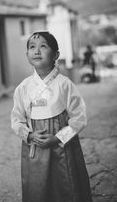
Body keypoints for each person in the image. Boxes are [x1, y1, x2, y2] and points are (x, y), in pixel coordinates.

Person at [11, 31, 92, 202]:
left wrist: (58, 138)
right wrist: (29, 135)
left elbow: (79, 117)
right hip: (35, 146)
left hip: (61, 147)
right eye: (32, 47)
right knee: (38, 189)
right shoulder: (23, 88)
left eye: (43, 46)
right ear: (27, 55)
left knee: (66, 187)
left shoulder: (64, 85)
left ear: (56, 54)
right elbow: (16, 119)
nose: (37, 51)